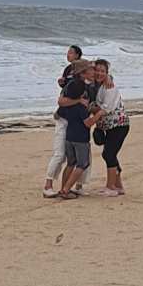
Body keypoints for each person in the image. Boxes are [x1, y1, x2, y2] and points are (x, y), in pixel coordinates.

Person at [44, 44, 87, 196]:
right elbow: (62, 99)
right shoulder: (71, 75)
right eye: (67, 52)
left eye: (70, 52)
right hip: (65, 117)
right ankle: (48, 185)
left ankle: (78, 185)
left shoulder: (83, 72)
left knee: (80, 156)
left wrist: (108, 77)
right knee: (61, 154)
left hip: (75, 120)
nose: (67, 55)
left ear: (77, 55)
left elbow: (99, 71)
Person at [53, 70, 95, 198]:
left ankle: (63, 188)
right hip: (81, 139)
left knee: (71, 163)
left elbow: (57, 115)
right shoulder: (81, 108)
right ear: (82, 93)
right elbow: (87, 123)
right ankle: (66, 189)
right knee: (82, 164)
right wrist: (98, 115)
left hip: (69, 137)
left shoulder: (67, 106)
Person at [91, 58, 129, 195]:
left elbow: (107, 108)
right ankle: (118, 186)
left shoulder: (109, 87)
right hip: (108, 126)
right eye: (97, 70)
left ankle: (111, 187)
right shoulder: (95, 85)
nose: (99, 73)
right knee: (109, 153)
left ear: (107, 73)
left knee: (109, 153)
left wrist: (92, 118)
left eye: (103, 71)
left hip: (119, 124)